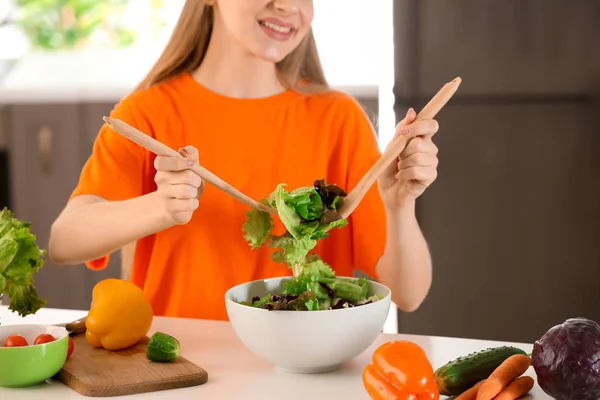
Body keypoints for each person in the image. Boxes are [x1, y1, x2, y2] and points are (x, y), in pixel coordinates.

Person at [49, 0, 440, 321]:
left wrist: (400, 204)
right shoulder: (147, 115)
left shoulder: (338, 119)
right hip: (178, 370)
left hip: (305, 374)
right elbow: (64, 241)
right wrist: (158, 208)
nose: (287, 5)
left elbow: (409, 293)